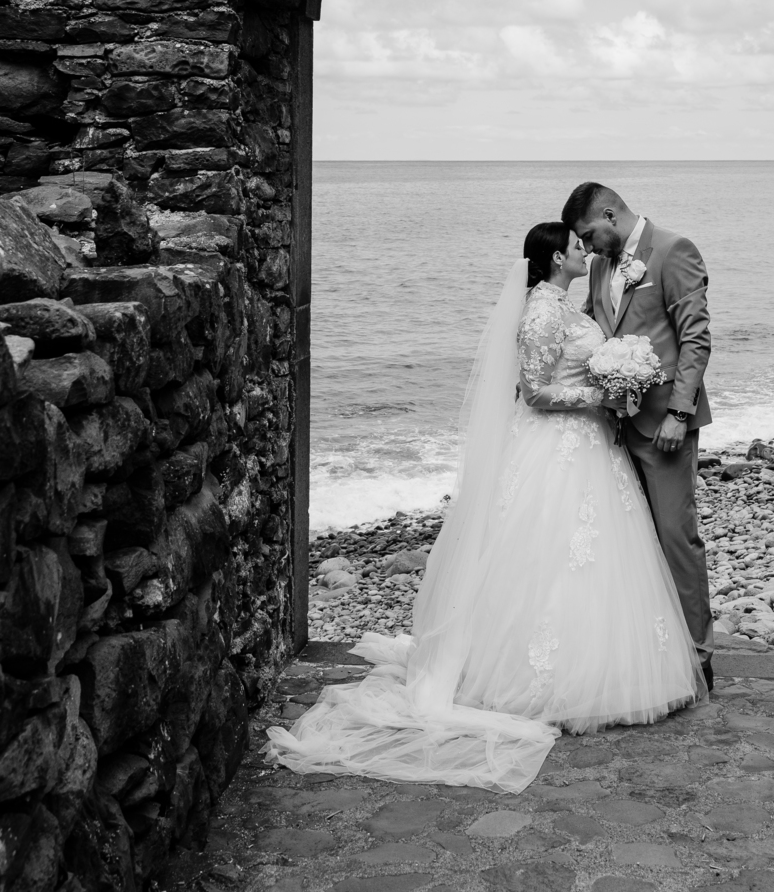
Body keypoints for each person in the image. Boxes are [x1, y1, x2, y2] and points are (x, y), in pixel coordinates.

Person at [266, 221, 704, 793]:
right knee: (547, 552)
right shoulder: (540, 312)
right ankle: (533, 678)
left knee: (593, 556)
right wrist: (601, 395)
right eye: (576, 246)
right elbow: (536, 392)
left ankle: (607, 670)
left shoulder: (566, 306)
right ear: (555, 258)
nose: (585, 251)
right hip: (556, 448)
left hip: (591, 446)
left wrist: (619, 384)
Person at [561, 182, 714, 690]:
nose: (586, 247)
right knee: (631, 541)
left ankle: (698, 654)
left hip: (664, 425)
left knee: (675, 536)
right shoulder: (601, 265)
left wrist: (678, 413)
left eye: (588, 234)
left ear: (610, 214)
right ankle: (651, 652)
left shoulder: (673, 250)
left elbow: (695, 338)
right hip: (613, 424)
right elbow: (593, 325)